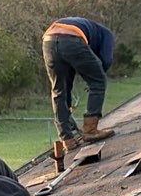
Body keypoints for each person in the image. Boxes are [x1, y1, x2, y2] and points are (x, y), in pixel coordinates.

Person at [42, 14, 116, 146]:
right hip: (72, 38)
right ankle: (90, 130)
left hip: (49, 40)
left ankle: (67, 138)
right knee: (98, 82)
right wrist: (94, 79)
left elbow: (68, 83)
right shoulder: (107, 34)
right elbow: (106, 60)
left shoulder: (87, 27)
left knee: (59, 90)